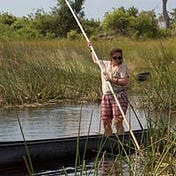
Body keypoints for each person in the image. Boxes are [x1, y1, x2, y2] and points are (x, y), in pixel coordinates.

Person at [88, 44, 129, 136]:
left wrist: (111, 79)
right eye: (115, 58)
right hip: (106, 96)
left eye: (120, 58)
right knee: (106, 121)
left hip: (118, 95)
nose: (118, 60)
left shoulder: (122, 66)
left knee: (117, 121)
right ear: (111, 58)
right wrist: (90, 48)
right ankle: (108, 141)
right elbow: (95, 59)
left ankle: (121, 141)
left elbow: (125, 81)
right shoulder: (105, 64)